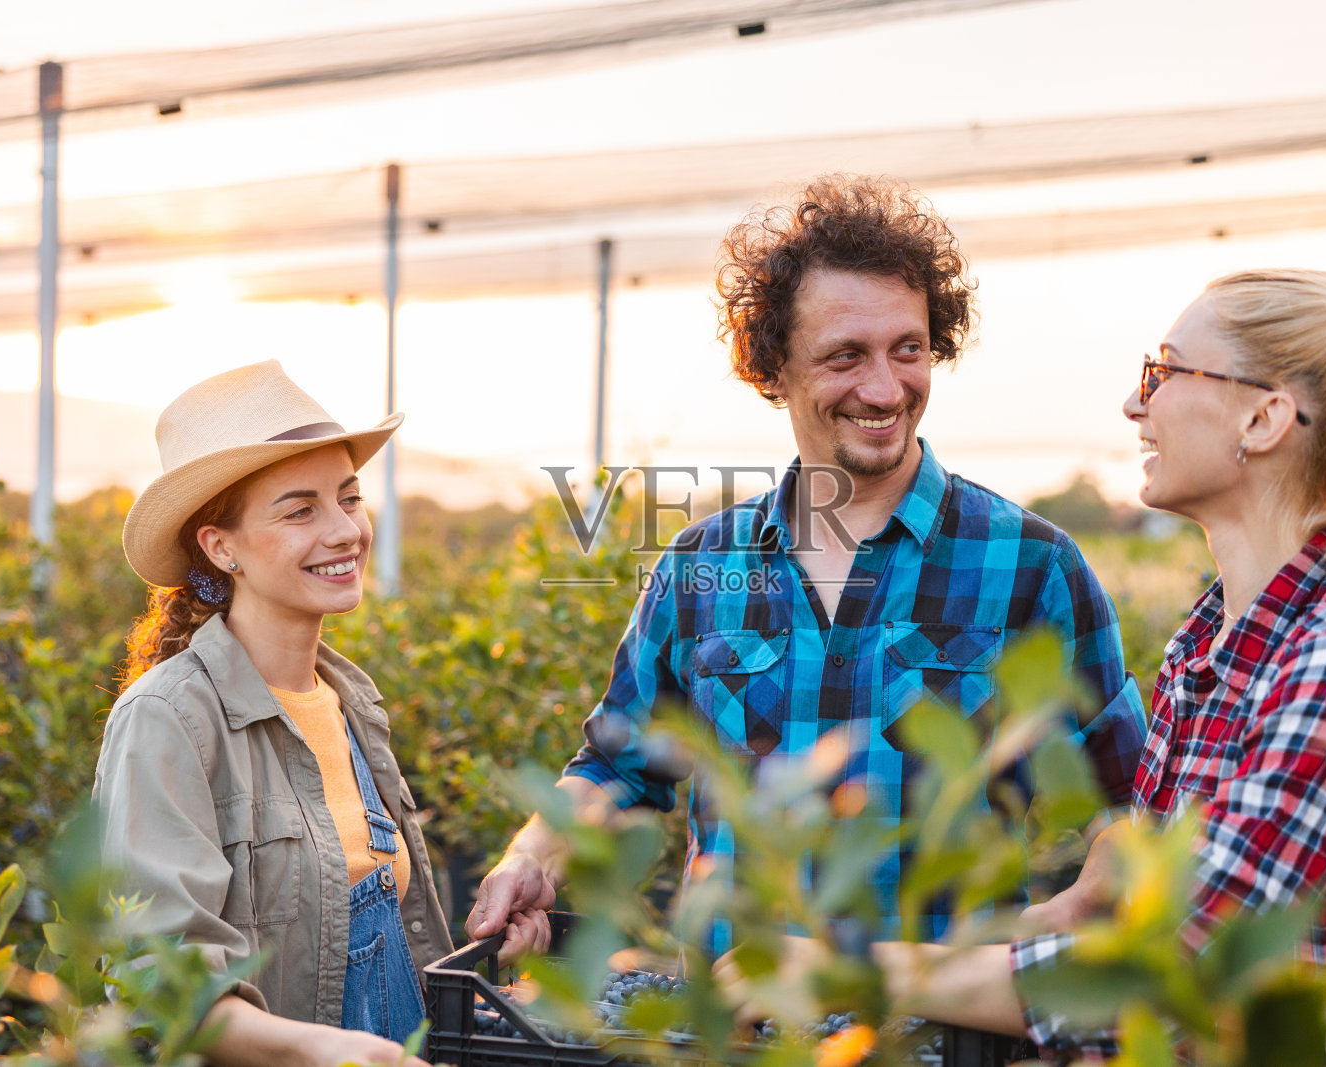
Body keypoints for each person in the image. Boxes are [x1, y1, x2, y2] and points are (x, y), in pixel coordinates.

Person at [466, 174, 1148, 959]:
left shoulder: (1030, 564)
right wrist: (529, 857)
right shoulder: (701, 568)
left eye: (909, 350)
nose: (886, 388)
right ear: (773, 369)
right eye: (845, 356)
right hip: (734, 1027)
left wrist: (1049, 936)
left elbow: (1128, 795)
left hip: (939, 1036)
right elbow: (620, 765)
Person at [839, 269, 1326, 1065]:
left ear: (1263, 417)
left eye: (1164, 371)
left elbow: (1177, 962)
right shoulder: (1210, 636)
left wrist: (848, 975)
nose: (1135, 404)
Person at [95, 360, 451, 1067]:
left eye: (348, 497)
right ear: (220, 546)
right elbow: (166, 988)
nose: (344, 529)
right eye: (300, 510)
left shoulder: (351, 703)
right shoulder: (169, 719)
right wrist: (326, 1050)